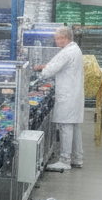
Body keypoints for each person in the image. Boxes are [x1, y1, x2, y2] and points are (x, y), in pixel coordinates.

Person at [36, 25, 84, 171]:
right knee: (74, 126)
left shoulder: (67, 52)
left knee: (66, 126)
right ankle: (77, 158)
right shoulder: (75, 49)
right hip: (73, 93)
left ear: (64, 37)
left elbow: (49, 70)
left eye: (57, 38)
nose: (56, 42)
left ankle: (65, 160)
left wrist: (40, 72)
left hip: (67, 95)